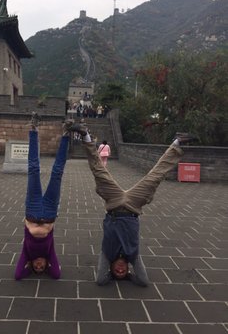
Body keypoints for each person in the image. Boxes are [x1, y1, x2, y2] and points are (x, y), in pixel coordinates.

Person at [68, 121, 197, 286]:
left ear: (111, 268)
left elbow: (100, 279)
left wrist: (111, 276)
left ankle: (85, 135)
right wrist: (129, 277)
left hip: (114, 203)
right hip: (133, 206)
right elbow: (143, 281)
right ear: (129, 269)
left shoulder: (107, 254)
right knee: (155, 176)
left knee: (98, 171)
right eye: (124, 272)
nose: (120, 270)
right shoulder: (132, 255)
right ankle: (177, 142)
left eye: (117, 272)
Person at [14, 113, 73, 280]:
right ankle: (66, 133)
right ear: (47, 263)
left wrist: (27, 267)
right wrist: (48, 265)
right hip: (49, 212)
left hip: (32, 210)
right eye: (42, 267)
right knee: (57, 173)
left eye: (36, 267)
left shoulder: (27, 253)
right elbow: (56, 274)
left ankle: (33, 129)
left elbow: (18, 275)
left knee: (33, 169)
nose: (39, 265)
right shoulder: (50, 252)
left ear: (31, 263)